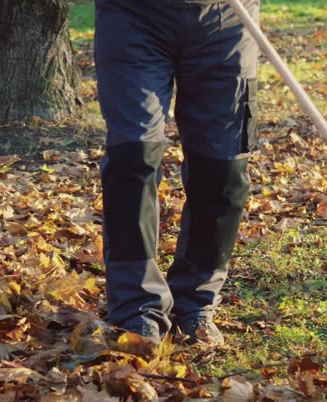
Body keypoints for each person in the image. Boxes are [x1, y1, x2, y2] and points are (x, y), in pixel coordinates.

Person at [94, 0, 259, 346]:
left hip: (226, 18)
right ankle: (136, 309)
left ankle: (196, 301)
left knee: (223, 168)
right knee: (132, 159)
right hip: (132, 16)